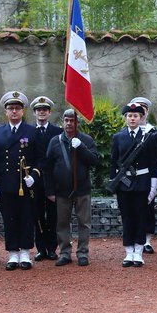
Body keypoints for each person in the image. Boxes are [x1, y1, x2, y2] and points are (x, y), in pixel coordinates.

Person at [0, 91, 41, 271]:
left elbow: (41, 159)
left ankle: (25, 252)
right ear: (5, 111)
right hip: (6, 183)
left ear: (23, 111)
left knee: (26, 217)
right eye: (10, 108)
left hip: (25, 184)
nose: (14, 112)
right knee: (9, 218)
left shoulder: (32, 131)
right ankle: (12, 253)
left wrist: (34, 176)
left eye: (17, 108)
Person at [43, 108, 100, 266]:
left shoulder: (86, 140)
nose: (69, 123)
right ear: (63, 122)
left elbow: (94, 161)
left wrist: (81, 147)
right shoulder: (55, 141)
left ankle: (83, 252)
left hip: (82, 190)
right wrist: (49, 191)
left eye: (72, 120)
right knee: (62, 223)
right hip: (61, 191)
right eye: (66, 120)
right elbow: (47, 167)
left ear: (77, 123)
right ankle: (65, 253)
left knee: (84, 223)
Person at [109, 101, 157, 267]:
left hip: (141, 182)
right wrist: (114, 184)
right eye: (130, 116)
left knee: (140, 217)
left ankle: (138, 252)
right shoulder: (118, 137)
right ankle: (128, 252)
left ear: (141, 118)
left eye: (136, 116)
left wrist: (153, 183)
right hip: (124, 183)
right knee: (127, 218)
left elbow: (153, 163)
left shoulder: (149, 137)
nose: (132, 119)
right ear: (125, 118)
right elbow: (113, 163)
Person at [30, 95, 62, 261]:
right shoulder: (29, 131)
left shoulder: (58, 132)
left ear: (49, 113)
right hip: (34, 179)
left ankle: (52, 247)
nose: (41, 112)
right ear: (34, 113)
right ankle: (41, 248)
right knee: (37, 214)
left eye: (45, 110)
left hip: (53, 179)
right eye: (38, 110)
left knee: (53, 215)